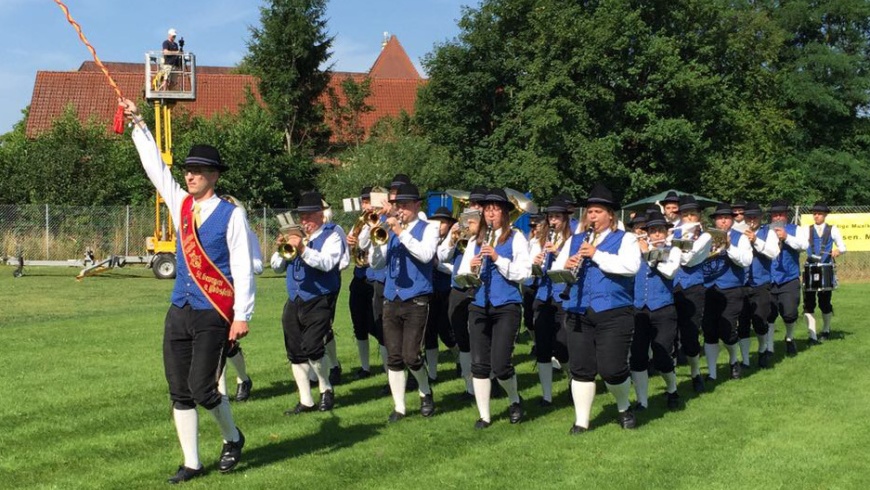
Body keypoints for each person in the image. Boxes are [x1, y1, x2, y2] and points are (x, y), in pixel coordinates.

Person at [120, 98, 250, 483]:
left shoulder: (232, 214)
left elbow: (242, 266)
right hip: (180, 307)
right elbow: (156, 169)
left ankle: (232, 437)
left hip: (214, 311)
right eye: (189, 171)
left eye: (197, 171)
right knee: (179, 390)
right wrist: (138, 125)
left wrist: (242, 313)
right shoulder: (180, 204)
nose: (190, 176)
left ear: (214, 177)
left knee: (203, 388)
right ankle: (192, 462)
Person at [552, 183, 641, 433]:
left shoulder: (627, 239)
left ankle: (623, 406)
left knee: (612, 369)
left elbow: (630, 267)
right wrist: (567, 266)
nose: (592, 216)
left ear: (610, 215)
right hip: (578, 309)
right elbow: (556, 273)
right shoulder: (575, 240)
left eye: (598, 212)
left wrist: (596, 254)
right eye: (589, 212)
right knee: (581, 368)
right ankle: (582, 421)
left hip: (614, 311)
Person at [456, 188, 531, 428]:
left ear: (504, 213)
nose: (490, 214)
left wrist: (498, 258)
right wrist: (471, 266)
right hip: (479, 304)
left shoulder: (516, 237)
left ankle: (514, 399)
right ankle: (484, 415)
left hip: (506, 305)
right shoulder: (475, 240)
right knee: (479, 364)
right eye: (487, 209)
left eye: (495, 209)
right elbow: (461, 275)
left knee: (500, 365)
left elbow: (524, 273)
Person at [363, 183, 439, 422]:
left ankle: (425, 390)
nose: (400, 210)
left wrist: (400, 232)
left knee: (411, 355)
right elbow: (377, 265)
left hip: (416, 298)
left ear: (417, 206)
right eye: (398, 206)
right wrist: (376, 242)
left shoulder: (429, 228)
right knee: (393, 356)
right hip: (391, 298)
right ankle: (399, 407)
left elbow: (426, 255)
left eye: (405, 206)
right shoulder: (390, 229)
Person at [271, 191, 341, 415]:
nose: (304, 222)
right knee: (295, 352)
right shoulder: (295, 235)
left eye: (309, 217)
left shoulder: (332, 235)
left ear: (320, 215)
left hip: (320, 297)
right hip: (295, 298)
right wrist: (281, 248)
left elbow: (327, 263)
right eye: (301, 217)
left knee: (313, 347)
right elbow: (275, 267)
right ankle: (305, 400)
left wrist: (302, 248)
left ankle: (325, 386)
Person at [437, 187, 486, 400]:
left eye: (478, 205)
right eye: (472, 204)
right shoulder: (461, 227)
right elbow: (442, 255)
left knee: (483, 335)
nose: (474, 208)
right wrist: (452, 238)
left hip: (482, 286)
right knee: (461, 335)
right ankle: (469, 386)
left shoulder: (492, 230)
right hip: (459, 286)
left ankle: (489, 377)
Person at [631, 211, 682, 410]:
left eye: (660, 230)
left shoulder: (674, 251)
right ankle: (642, 400)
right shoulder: (635, 250)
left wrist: (648, 254)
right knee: (637, 356)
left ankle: (672, 389)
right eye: (653, 231)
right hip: (639, 309)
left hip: (663, 309)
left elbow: (669, 272)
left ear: (666, 233)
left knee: (662, 356)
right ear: (648, 233)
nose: (657, 235)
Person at [701, 203, 752, 382]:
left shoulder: (741, 238)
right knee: (709, 331)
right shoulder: (705, 237)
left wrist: (729, 246)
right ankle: (712, 373)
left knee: (727, 330)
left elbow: (745, 261)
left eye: (727, 218)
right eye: (720, 218)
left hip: (731, 289)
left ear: (731, 220)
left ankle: (733, 360)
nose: (723, 221)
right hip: (708, 289)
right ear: (715, 220)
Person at [529, 197, 572, 407]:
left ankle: (573, 381)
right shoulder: (540, 239)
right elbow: (529, 271)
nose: (553, 221)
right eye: (551, 217)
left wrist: (558, 253)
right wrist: (535, 261)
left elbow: (574, 269)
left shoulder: (573, 240)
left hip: (562, 296)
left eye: (557, 217)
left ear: (565, 219)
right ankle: (546, 395)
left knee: (562, 345)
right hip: (543, 295)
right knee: (543, 347)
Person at [216, 195, 260, 402]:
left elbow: (257, 265)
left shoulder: (247, 234)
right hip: (214, 291)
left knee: (228, 343)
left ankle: (242, 379)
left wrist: (240, 266)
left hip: (234, 291)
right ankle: (221, 392)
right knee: (218, 343)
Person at [671, 195, 712, 392]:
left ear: (699, 216)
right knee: (668, 333)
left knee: (690, 334)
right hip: (670, 287)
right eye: (685, 215)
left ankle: (695, 373)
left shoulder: (705, 236)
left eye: (692, 215)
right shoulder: (671, 232)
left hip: (691, 288)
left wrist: (674, 245)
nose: (688, 218)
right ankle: (671, 382)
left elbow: (688, 259)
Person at [737, 202, 779, 369]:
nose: (752, 220)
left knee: (760, 320)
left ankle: (762, 349)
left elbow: (773, 253)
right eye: (749, 217)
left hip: (760, 283)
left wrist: (755, 241)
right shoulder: (738, 233)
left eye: (755, 217)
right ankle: (745, 360)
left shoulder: (768, 233)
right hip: (741, 283)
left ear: (761, 218)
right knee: (743, 322)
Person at [767, 200, 809, 356]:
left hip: (789, 277)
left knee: (790, 313)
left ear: (786, 215)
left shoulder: (795, 229)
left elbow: (804, 246)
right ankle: (769, 347)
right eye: (775, 214)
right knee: (769, 315)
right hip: (769, 278)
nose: (778, 217)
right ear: (771, 216)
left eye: (781, 214)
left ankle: (789, 338)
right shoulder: (766, 230)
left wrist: (786, 237)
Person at [347, 187, 379, 379]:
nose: (365, 205)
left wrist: (361, 238)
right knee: (358, 323)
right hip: (360, 275)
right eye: (364, 201)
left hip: (376, 277)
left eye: (368, 201)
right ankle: (365, 367)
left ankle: (390, 364)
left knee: (376, 324)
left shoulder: (378, 222)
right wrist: (350, 240)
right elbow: (353, 244)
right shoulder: (359, 222)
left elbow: (366, 244)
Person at [424, 206, 459, 381]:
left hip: (446, 291)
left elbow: (458, 269)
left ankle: (459, 357)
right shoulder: (428, 239)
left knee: (446, 331)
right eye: (435, 222)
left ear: (450, 225)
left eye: (443, 222)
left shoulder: (455, 241)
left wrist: (438, 265)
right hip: (429, 290)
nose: (438, 226)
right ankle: (432, 374)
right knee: (429, 332)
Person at [803, 201, 846, 341]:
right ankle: (812, 334)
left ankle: (826, 330)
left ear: (825, 215)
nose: (816, 216)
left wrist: (837, 250)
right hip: (810, 268)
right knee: (808, 303)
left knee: (824, 303)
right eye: (814, 213)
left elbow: (843, 247)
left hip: (825, 268)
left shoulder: (832, 229)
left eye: (819, 214)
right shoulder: (806, 230)